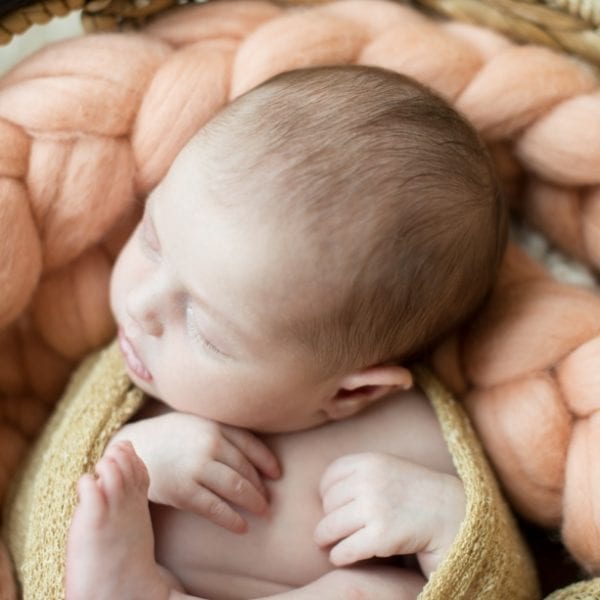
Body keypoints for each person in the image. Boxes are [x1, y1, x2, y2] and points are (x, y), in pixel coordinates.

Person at [65, 64, 507, 599]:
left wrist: (454, 528)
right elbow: (49, 481)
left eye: (205, 330)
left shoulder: (412, 440)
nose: (140, 306)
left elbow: (507, 581)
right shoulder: (140, 386)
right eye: (152, 240)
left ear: (354, 391)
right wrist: (131, 457)